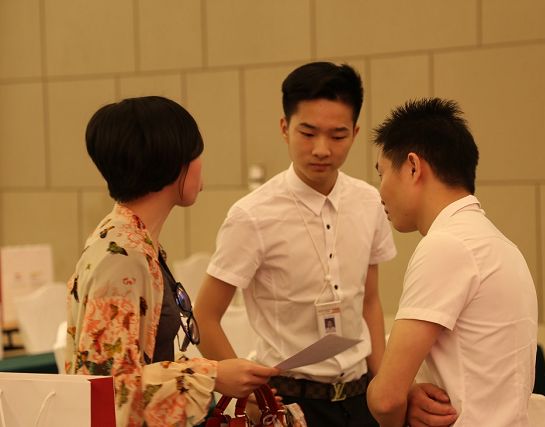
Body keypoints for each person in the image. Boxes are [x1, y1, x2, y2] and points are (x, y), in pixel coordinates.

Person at [194, 62, 397, 427]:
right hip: (289, 402)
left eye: (337, 136)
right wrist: (251, 395)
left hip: (360, 398)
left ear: (354, 133)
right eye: (308, 133)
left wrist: (383, 390)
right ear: (284, 128)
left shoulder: (369, 202)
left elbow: (369, 300)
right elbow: (205, 316)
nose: (322, 149)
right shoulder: (252, 215)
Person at [65, 96, 279, 427]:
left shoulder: (136, 242)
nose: (201, 163)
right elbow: (109, 387)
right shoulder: (120, 257)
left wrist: (222, 380)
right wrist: (212, 375)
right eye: (196, 153)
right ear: (172, 162)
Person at [367, 98, 538, 426]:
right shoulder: (498, 243)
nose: (380, 191)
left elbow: (386, 398)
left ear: (413, 167)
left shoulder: (447, 245)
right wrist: (409, 394)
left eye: (382, 173)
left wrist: (396, 399)